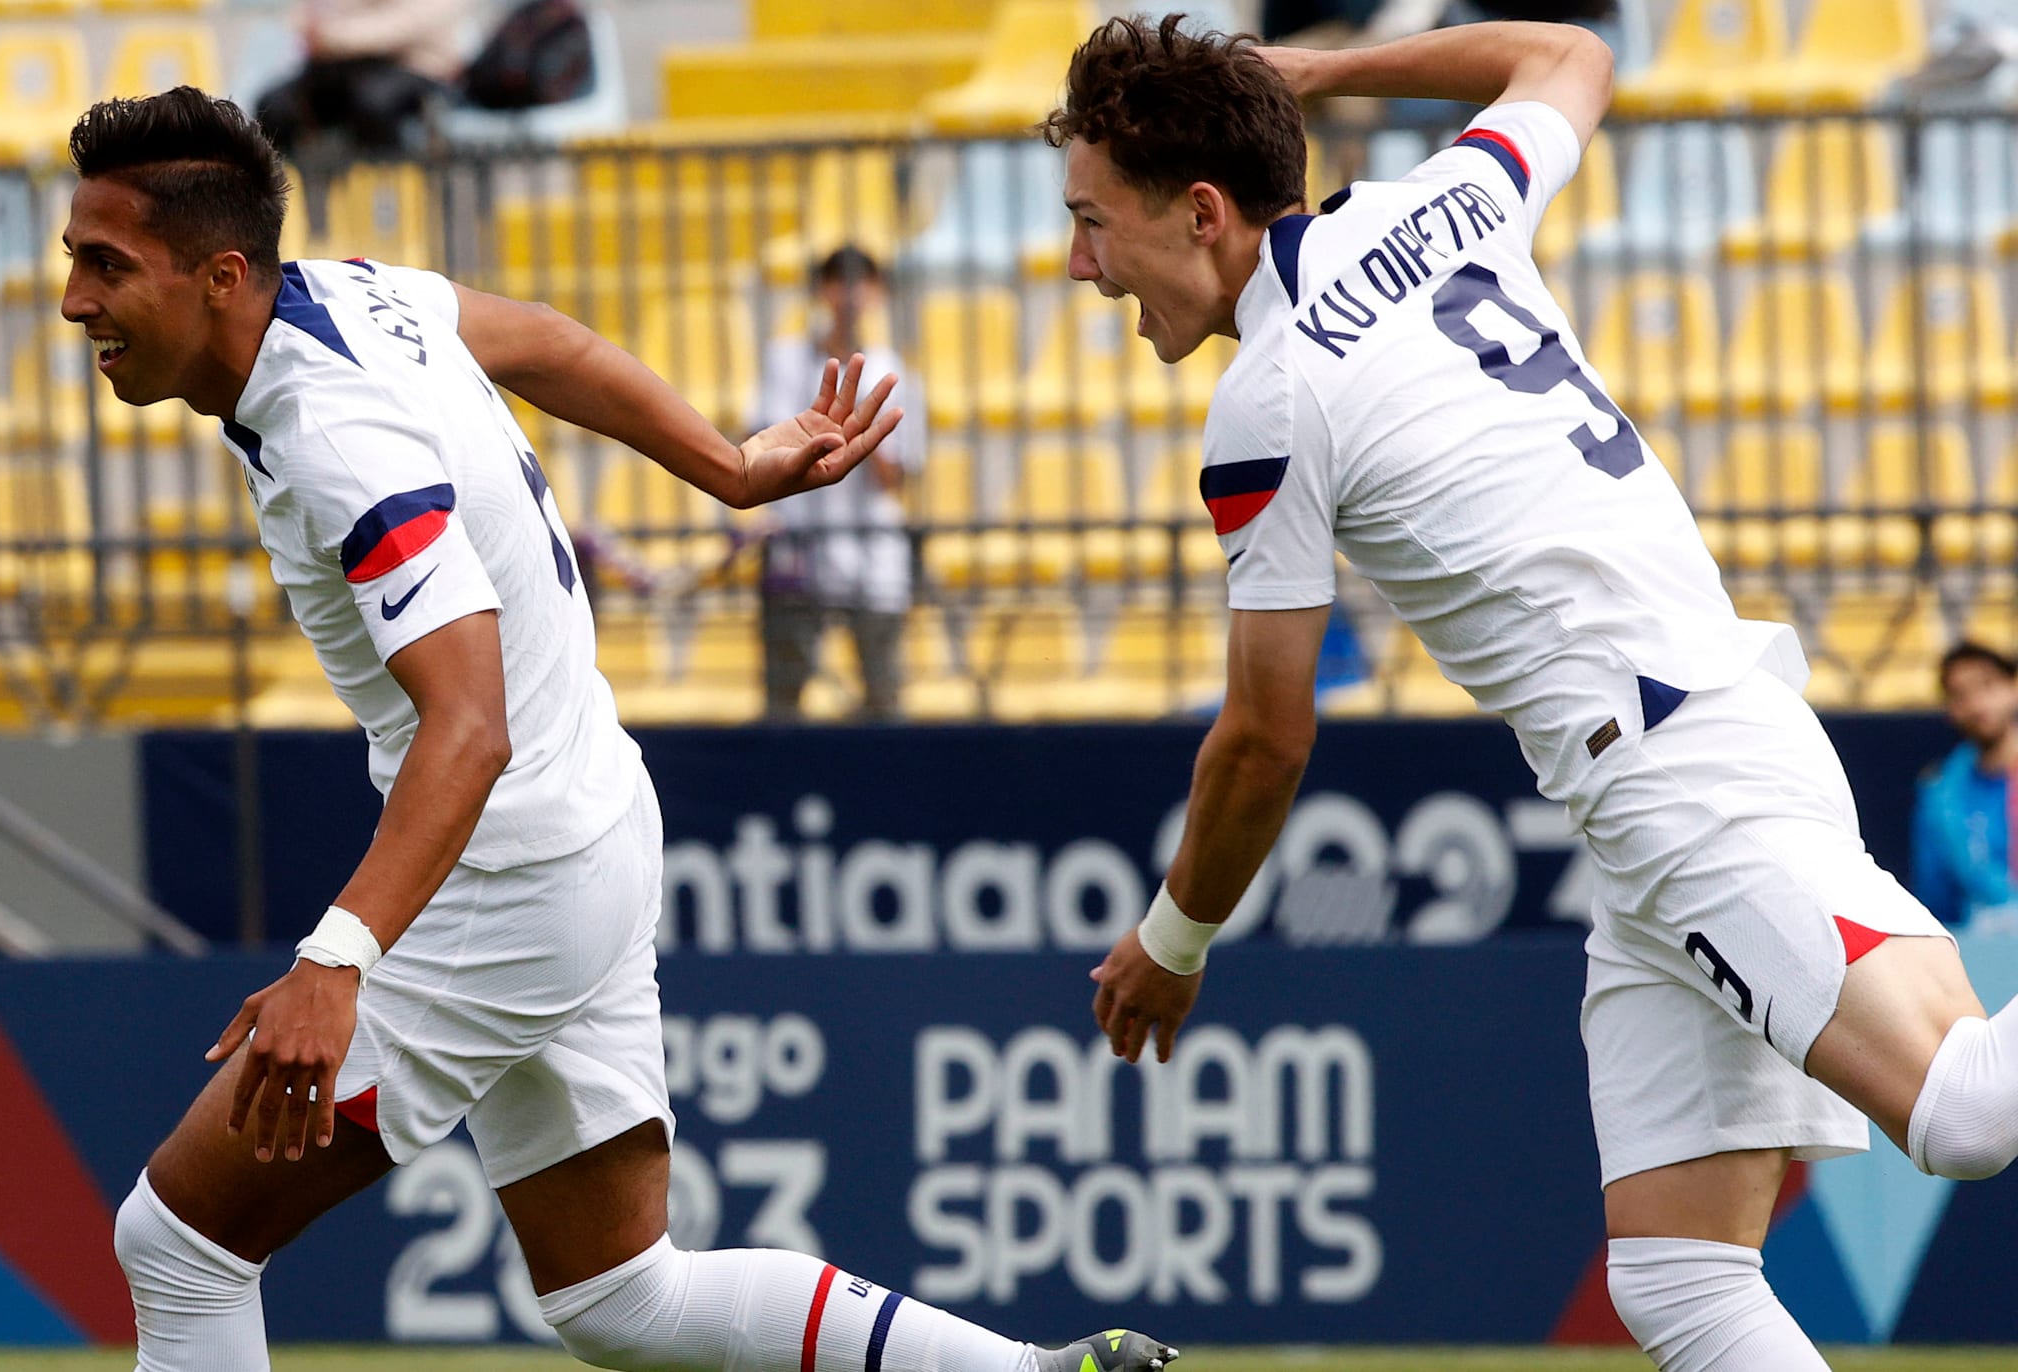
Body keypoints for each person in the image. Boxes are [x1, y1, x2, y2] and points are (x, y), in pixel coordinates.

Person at [58, 87, 1176, 1372]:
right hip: (588, 828)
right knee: (621, 1299)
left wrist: (336, 956)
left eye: (107, 266)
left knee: (182, 1243)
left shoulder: (334, 441)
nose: (77, 301)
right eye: (74, 261)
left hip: (505, 873)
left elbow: (466, 729)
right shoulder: (357, 294)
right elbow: (538, 337)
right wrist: (727, 466)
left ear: (222, 275)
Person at [1057, 18, 2018, 1371]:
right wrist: (1319, 73)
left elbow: (1265, 740)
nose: (1080, 263)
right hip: (1692, 744)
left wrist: (1172, 941)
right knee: (1680, 1276)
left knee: (1966, 1114)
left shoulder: (1270, 401)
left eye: (1094, 221)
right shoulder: (1445, 201)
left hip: (1681, 777)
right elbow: (1569, 56)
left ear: (1202, 212)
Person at [748, 246, 920, 721]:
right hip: (799, 549)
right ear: (821, 291)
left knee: (884, 696)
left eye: (860, 282)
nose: (848, 295)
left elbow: (895, 479)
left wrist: (860, 434)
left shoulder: (893, 369)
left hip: (873, 554)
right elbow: (763, 450)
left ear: (877, 292)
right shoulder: (785, 360)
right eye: (838, 281)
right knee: (783, 700)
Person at [254, 0, 475, 162]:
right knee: (275, 106)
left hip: (416, 69)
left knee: (372, 102)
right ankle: (287, 205)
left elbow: (400, 29)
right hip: (346, 67)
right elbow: (306, 17)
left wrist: (332, 36)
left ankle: (391, 200)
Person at [1913, 641, 2018, 932]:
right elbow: (1936, 895)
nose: (1977, 704)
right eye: (1960, 695)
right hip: (1981, 954)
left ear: (2013, 687)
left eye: (1987, 685)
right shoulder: (1939, 795)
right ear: (1950, 710)